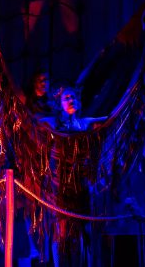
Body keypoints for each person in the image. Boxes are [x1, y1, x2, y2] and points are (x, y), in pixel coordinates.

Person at [39, 85, 107, 267]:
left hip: (81, 186)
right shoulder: (53, 124)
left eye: (74, 97)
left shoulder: (84, 124)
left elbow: (109, 119)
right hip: (59, 188)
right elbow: (34, 122)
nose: (71, 100)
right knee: (61, 233)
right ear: (59, 103)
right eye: (67, 98)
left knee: (85, 230)